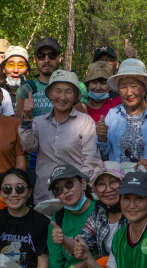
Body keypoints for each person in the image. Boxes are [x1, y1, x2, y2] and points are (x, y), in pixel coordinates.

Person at [20, 70, 101, 198]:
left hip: (75, 195)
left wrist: (79, 187)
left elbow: (90, 160)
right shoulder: (38, 121)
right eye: (57, 91)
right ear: (50, 94)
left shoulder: (85, 121)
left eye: (68, 91)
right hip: (45, 194)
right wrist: (26, 116)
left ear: (75, 96)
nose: (62, 97)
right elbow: (28, 146)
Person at [42, 165, 98, 268]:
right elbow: (56, 264)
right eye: (59, 189)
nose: (65, 191)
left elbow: (106, 254)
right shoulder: (57, 219)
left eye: (69, 184)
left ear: (82, 183)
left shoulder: (99, 210)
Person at [97, 59, 147, 163]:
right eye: (123, 87)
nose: (129, 93)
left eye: (134, 86)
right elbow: (104, 155)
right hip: (118, 177)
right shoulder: (113, 115)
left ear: (144, 88)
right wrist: (102, 138)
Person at [16, 37, 78, 119]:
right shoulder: (25, 88)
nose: (46, 60)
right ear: (35, 59)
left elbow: (82, 118)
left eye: (51, 55)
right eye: (41, 56)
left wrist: (73, 89)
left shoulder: (76, 85)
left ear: (59, 58)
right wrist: (22, 98)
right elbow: (17, 123)